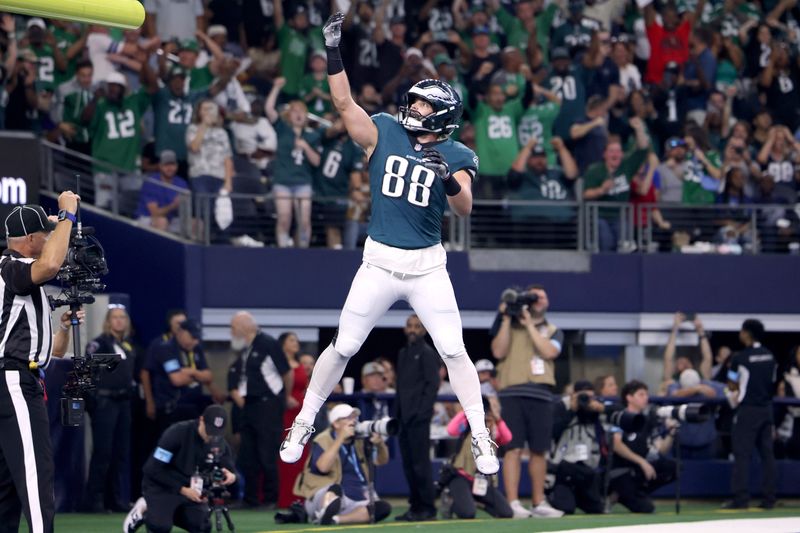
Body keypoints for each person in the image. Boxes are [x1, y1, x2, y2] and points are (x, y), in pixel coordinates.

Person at [280, 12, 499, 477]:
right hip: (379, 261)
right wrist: (333, 50)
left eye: (421, 106)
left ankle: (480, 434)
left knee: (455, 351)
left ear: (439, 116)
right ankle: (303, 421)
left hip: (426, 267)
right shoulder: (386, 130)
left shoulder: (457, 153)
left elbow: (465, 208)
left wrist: (449, 181)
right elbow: (343, 104)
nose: (412, 108)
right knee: (343, 346)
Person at [0, 195, 81, 533]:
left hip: (21, 378)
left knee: (6, 487)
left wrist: (61, 328)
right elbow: (49, 265)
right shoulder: (11, 266)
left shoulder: (19, 276)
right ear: (31, 240)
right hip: (14, 382)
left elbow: (51, 353)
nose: (51, 241)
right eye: (44, 235)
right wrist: (67, 214)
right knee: (36, 476)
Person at [490, 285, 564, 518]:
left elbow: (549, 352)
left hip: (541, 393)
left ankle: (538, 502)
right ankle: (512, 502)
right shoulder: (509, 325)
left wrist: (530, 324)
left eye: (542, 296)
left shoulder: (553, 330)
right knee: (512, 449)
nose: (538, 300)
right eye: (534, 297)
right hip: (511, 392)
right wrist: (505, 317)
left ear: (547, 302)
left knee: (539, 450)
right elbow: (498, 352)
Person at [126, 405, 237, 533]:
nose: (212, 437)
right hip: (162, 487)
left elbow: (229, 467)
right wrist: (183, 489)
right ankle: (146, 510)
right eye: (209, 432)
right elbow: (152, 469)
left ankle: (167, 513)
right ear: (201, 420)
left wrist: (231, 476)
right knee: (160, 527)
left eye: (217, 434)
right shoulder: (177, 433)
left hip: (191, 490)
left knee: (202, 526)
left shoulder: (219, 442)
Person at [227, 311, 292, 509]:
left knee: (267, 453)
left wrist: (284, 397)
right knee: (248, 454)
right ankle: (250, 498)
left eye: (233, 327)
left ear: (245, 326)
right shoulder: (247, 349)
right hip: (250, 406)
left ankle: (271, 499)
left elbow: (286, 372)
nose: (231, 332)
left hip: (267, 405)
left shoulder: (268, 343)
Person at [292, 404, 392, 525]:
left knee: (382, 507)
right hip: (326, 495)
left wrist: (380, 443)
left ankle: (334, 519)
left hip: (357, 498)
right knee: (334, 490)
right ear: (336, 423)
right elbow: (323, 468)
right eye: (348, 418)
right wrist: (340, 439)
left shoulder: (359, 439)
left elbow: (382, 461)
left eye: (354, 418)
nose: (354, 421)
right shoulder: (322, 439)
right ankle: (327, 509)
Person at [81, 304, 137, 513]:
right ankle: (94, 501)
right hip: (105, 403)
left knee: (120, 453)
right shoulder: (99, 344)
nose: (119, 321)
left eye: (123, 317)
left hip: (123, 404)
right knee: (103, 453)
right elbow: (87, 370)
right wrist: (92, 401)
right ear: (108, 321)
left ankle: (116, 500)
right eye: (115, 317)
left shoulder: (127, 346)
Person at [723, 319, 777, 509]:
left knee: (742, 454)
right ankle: (769, 499)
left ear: (747, 333)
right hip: (767, 410)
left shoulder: (739, 358)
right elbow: (773, 383)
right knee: (767, 455)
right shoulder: (770, 356)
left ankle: (741, 499)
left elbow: (731, 387)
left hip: (747, 411)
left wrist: (732, 400)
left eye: (742, 330)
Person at [395, 314, 440, 521]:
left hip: (418, 419)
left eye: (417, 326)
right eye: (410, 326)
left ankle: (427, 508)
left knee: (420, 464)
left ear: (424, 330)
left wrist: (422, 413)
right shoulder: (403, 353)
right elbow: (399, 388)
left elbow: (432, 386)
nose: (412, 329)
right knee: (408, 464)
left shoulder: (428, 353)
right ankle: (415, 506)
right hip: (403, 418)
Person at [609, 380, 677, 513]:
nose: (646, 398)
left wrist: (671, 433)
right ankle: (616, 493)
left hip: (640, 471)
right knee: (646, 509)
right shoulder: (620, 416)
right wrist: (642, 462)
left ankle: (638, 493)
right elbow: (616, 444)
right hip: (621, 470)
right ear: (629, 397)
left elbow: (660, 449)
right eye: (641, 394)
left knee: (673, 467)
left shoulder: (648, 420)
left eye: (646, 394)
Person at [441, 397, 513, 520]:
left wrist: (497, 418)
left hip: (482, 481)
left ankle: (475, 502)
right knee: (467, 514)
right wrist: (468, 411)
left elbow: (507, 438)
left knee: (506, 513)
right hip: (461, 476)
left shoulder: (494, 427)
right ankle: (452, 501)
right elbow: (451, 430)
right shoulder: (468, 423)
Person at [147, 319, 215, 436]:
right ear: (181, 333)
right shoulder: (166, 348)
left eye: (197, 338)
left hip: (193, 406)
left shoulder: (196, 349)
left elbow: (209, 376)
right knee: (171, 445)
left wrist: (191, 372)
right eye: (192, 337)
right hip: (171, 407)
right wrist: (199, 375)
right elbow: (177, 380)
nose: (195, 341)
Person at [548, 380, 606, 515]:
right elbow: (553, 432)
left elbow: (616, 410)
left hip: (586, 467)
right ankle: (552, 494)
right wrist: (572, 410)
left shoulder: (594, 409)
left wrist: (599, 408)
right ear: (573, 394)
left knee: (597, 509)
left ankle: (579, 497)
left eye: (590, 397)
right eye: (583, 396)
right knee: (567, 508)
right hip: (564, 466)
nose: (586, 400)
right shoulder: (562, 406)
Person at [277, 331, 309, 509]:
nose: (296, 343)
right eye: (291, 340)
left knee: (302, 453)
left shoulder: (300, 364)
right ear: (283, 344)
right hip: (286, 412)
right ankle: (286, 498)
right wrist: (286, 397)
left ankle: (301, 498)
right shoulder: (279, 364)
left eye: (297, 340)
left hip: (301, 411)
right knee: (287, 451)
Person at [134, 150, 190, 234]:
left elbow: (185, 213)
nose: (170, 168)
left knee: (196, 223)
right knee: (162, 222)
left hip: (170, 219)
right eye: (166, 165)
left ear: (177, 166)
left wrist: (184, 203)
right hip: (146, 218)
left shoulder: (181, 183)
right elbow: (155, 213)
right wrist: (173, 205)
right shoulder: (151, 182)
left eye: (172, 165)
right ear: (160, 166)